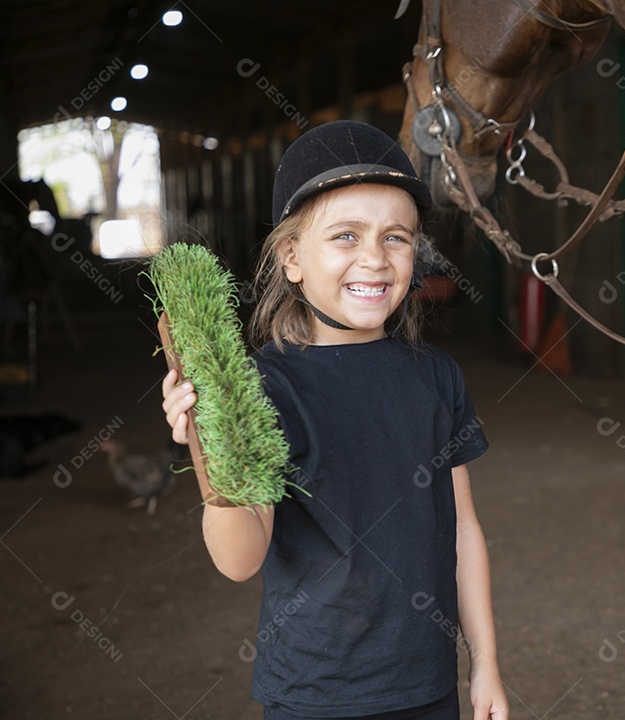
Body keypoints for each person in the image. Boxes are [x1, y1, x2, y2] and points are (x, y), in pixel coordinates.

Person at [161, 121, 509, 720]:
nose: (374, 259)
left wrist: (486, 665)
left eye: (396, 238)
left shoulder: (436, 378)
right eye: (345, 236)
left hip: (428, 686)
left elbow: (463, 532)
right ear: (292, 258)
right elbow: (240, 561)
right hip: (314, 692)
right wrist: (212, 446)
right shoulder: (262, 390)